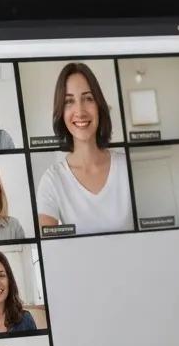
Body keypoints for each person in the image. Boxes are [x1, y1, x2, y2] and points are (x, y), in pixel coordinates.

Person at [36, 63, 133, 235]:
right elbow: (48, 249)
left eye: (88, 98)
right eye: (69, 101)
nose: (79, 111)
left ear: (99, 106)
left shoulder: (127, 167)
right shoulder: (52, 180)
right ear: (61, 112)